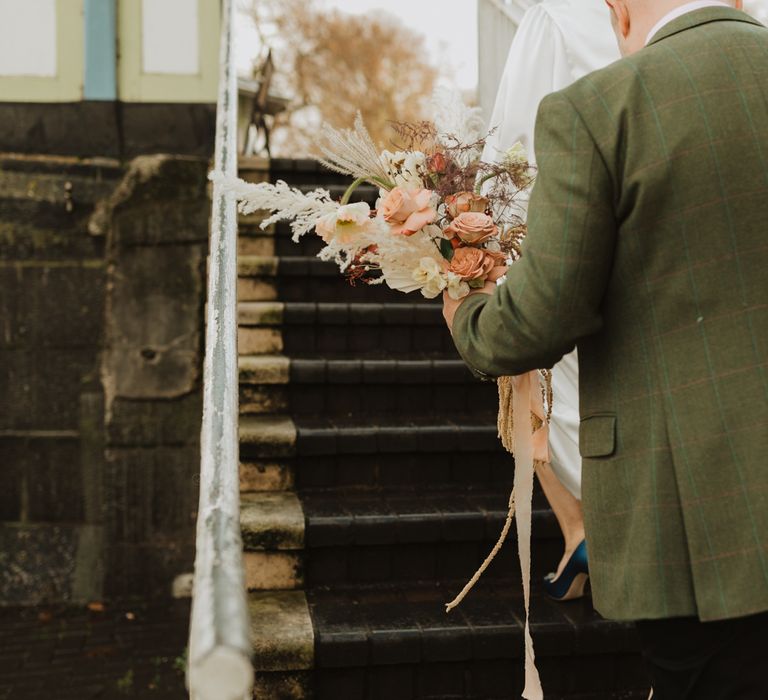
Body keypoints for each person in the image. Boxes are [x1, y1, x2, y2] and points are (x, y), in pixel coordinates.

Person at [445, 1, 768, 697]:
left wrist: (466, 312)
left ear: (618, 10)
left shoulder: (599, 109)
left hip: (699, 530)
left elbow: (542, 316)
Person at [482, 0, 620, 600]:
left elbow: (514, 151)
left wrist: (492, 241)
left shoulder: (558, 20)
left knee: (529, 375)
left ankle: (581, 529)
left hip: (568, 241)